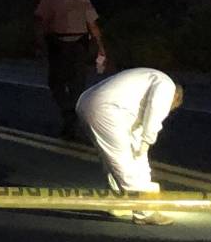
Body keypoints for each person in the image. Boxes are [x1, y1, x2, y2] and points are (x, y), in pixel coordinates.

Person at [75, 67, 182, 225]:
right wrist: (148, 139)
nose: (169, 111)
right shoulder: (167, 86)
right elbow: (155, 112)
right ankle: (144, 211)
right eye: (171, 108)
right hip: (106, 109)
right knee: (122, 161)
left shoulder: (147, 81)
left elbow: (138, 149)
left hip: (88, 102)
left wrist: (143, 147)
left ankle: (120, 202)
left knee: (112, 158)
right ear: (176, 98)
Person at [34, 0, 108, 137]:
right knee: (77, 82)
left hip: (58, 44)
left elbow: (39, 23)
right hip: (79, 45)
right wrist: (100, 48)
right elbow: (93, 26)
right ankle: (73, 111)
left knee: (56, 82)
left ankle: (67, 110)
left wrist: (40, 45)